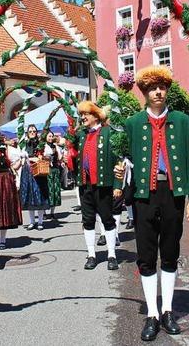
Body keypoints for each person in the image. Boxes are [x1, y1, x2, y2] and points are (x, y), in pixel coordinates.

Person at [115, 65, 189, 342]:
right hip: (144, 196)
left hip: (173, 194)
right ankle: (151, 313)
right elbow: (122, 156)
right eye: (152, 88)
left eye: (162, 87)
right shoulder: (132, 123)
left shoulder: (181, 120)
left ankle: (167, 310)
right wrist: (119, 173)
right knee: (147, 254)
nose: (158, 92)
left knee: (171, 251)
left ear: (167, 90)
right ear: (144, 92)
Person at [76, 101, 121, 271]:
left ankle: (111, 255)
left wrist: (118, 185)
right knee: (87, 220)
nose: (83, 117)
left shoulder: (109, 133)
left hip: (103, 185)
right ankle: (91, 255)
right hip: (85, 185)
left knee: (107, 220)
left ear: (95, 115)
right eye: (81, 114)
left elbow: (118, 161)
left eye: (86, 114)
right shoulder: (81, 135)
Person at [0, 129, 23, 249]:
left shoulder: (6, 148)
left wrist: (14, 169)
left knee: (3, 210)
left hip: (4, 181)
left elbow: (17, 161)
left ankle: (2, 240)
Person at [19, 125, 47, 229]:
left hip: (38, 171)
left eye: (34, 131)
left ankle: (40, 222)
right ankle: (32, 221)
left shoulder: (41, 144)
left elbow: (47, 154)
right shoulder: (24, 144)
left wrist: (39, 158)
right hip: (27, 171)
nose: (32, 132)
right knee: (30, 196)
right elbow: (21, 155)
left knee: (39, 195)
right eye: (30, 131)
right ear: (27, 132)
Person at [43, 131, 63, 220]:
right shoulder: (43, 146)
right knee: (47, 191)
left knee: (55, 191)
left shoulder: (55, 146)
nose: (50, 138)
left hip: (55, 169)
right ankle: (43, 213)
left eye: (52, 136)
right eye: (49, 136)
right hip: (47, 170)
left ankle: (52, 212)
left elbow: (59, 158)